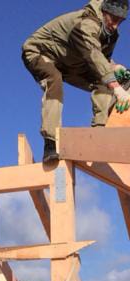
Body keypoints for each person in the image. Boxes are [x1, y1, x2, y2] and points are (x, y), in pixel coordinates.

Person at [22, 0, 130, 163]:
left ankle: (99, 133)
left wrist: (115, 68)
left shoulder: (111, 35)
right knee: (54, 80)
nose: (115, 26)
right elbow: (92, 53)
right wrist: (116, 87)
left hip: (71, 62)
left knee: (104, 81)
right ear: (104, 12)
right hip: (41, 53)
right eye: (113, 19)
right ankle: (51, 143)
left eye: (120, 22)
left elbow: (102, 60)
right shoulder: (85, 23)